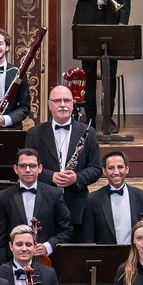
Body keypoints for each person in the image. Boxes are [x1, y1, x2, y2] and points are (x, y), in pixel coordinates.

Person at [25, 84, 102, 229]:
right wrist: (51, 176)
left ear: (73, 104)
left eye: (67, 100)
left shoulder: (89, 133)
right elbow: (27, 167)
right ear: (49, 105)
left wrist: (76, 178)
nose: (62, 105)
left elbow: (96, 168)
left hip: (77, 206)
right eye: (57, 101)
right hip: (44, 204)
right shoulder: (34, 133)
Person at [0, 148, 70, 262]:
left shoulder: (54, 194)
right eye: (23, 166)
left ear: (40, 168)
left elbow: (66, 230)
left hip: (46, 263)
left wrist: (47, 246)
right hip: (12, 263)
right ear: (15, 169)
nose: (28, 170)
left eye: (32, 166)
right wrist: (2, 270)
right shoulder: (2, 197)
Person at [85, 149, 143, 247]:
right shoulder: (92, 199)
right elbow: (89, 238)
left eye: (120, 167)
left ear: (127, 169)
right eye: (111, 168)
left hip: (135, 256)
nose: (116, 172)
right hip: (106, 257)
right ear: (104, 171)